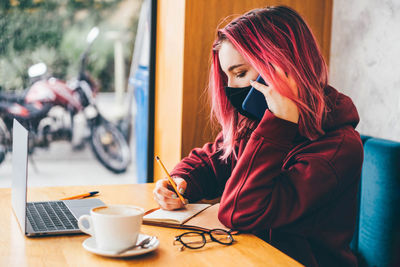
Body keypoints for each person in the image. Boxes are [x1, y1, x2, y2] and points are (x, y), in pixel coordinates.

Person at [153, 6, 363, 267]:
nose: (230, 88)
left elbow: (240, 211)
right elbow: (214, 158)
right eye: (226, 76)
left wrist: (277, 126)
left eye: (240, 74)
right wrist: (181, 180)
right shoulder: (256, 126)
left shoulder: (338, 149)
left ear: (284, 68)